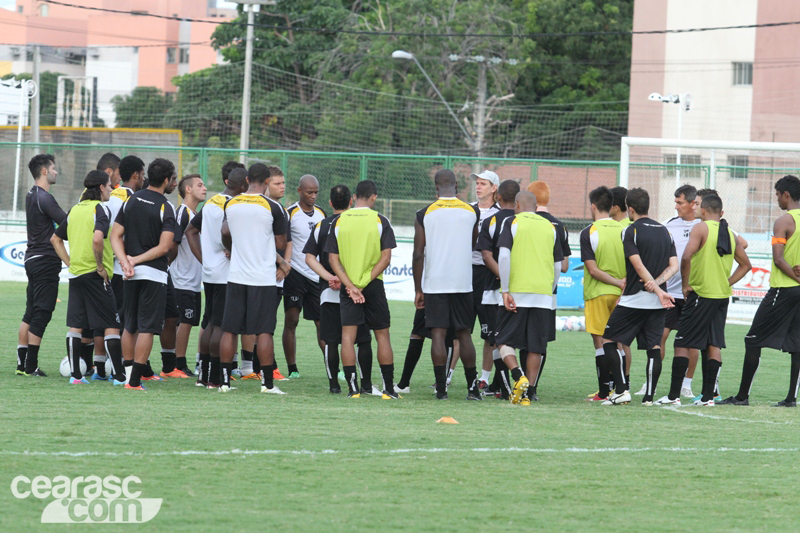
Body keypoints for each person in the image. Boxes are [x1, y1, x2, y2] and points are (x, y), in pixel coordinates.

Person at [656, 194, 751, 406]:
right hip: (721, 297)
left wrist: (685, 284)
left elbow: (687, 256)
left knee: (682, 341)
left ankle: (673, 396)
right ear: (721, 213)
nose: (695, 208)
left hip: (701, 294)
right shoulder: (729, 232)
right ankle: (709, 397)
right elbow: (746, 265)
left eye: (698, 205)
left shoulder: (701, 228)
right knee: (713, 344)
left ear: (706, 211)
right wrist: (727, 282)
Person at [719, 175, 800, 407]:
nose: (777, 200)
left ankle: (742, 397)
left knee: (752, 339)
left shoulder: (783, 221)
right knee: (797, 344)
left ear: (786, 195)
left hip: (784, 289)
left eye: (777, 195)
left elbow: (777, 259)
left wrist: (795, 277)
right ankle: (791, 399)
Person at [600, 188, 678, 406]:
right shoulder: (665, 231)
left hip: (634, 299)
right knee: (654, 347)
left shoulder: (630, 230)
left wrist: (654, 286)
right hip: (657, 303)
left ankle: (622, 390)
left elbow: (637, 264)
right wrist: (659, 285)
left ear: (630, 208)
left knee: (608, 339)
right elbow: (674, 266)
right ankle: (649, 398)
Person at [218, 163, 289, 394]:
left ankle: (224, 382)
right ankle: (267, 384)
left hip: (236, 276)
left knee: (230, 330)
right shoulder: (273, 207)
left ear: (247, 179)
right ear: (267, 181)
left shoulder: (231, 203)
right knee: (264, 331)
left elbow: (225, 233)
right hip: (263, 278)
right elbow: (280, 243)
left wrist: (234, 248)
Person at [50, 170, 126, 385]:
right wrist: (101, 266)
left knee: (76, 324)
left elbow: (55, 238)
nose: (112, 189)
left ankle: (76, 377)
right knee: (111, 323)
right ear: (101, 187)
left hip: (76, 275)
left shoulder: (74, 210)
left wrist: (69, 262)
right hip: (95, 275)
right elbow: (97, 239)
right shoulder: (100, 208)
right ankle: (120, 377)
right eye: (110, 186)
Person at [412, 169, 482, 401]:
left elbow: (418, 254)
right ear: (456, 187)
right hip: (463, 282)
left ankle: (441, 390)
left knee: (439, 334)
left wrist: (418, 289)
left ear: (436, 188)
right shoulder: (472, 211)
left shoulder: (425, 213)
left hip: (435, 283)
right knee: (464, 334)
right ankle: (473, 390)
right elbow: (473, 243)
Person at [326, 179, 398, 399]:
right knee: (382, 335)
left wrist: (351, 285)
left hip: (349, 287)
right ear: (374, 197)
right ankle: (388, 389)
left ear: (355, 197)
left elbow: (333, 259)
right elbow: (386, 259)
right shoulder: (380, 220)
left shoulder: (339, 221)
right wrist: (364, 282)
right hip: (373, 284)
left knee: (347, 337)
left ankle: (352, 390)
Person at [110, 158, 177, 391]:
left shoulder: (130, 200)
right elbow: (164, 247)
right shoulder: (166, 207)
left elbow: (115, 236)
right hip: (153, 275)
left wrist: (125, 261)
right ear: (167, 180)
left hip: (128, 274)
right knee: (147, 328)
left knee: (130, 326)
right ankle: (135, 382)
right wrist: (135, 260)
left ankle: (129, 377)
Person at [494, 191, 564, 406]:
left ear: (517, 204)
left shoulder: (512, 221)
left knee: (502, 340)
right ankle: (528, 394)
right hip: (542, 294)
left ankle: (518, 376)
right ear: (535, 206)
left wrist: (505, 290)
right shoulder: (551, 227)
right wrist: (549, 289)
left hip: (516, 292)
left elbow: (504, 256)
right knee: (536, 346)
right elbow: (557, 266)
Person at [303, 184, 374, 394]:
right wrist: (346, 281)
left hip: (328, 291)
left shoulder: (321, 226)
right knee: (362, 340)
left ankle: (334, 385)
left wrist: (329, 277)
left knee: (331, 340)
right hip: (356, 291)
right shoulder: (356, 224)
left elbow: (309, 258)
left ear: (331, 203)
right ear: (351, 201)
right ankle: (366, 384)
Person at [185, 164, 248, 388]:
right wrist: (232, 249)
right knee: (220, 326)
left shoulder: (211, 202)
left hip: (211, 272)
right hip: (225, 273)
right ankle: (213, 379)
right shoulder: (233, 204)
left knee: (211, 322)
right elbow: (226, 232)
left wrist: (204, 258)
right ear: (243, 185)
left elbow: (190, 230)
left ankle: (204, 375)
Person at [636, 185, 701, 398]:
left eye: (680, 203)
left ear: (693, 203)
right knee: (659, 338)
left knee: (691, 342)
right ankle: (649, 382)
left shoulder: (705, 225)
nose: (677, 207)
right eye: (675, 202)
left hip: (694, 294)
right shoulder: (668, 225)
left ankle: (686, 384)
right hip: (670, 293)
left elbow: (740, 242)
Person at [17, 154, 66, 377]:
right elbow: (66, 222)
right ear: (44, 171)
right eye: (54, 168)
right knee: (42, 312)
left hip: (33, 259)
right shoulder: (44, 197)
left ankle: (22, 364)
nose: (56, 171)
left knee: (31, 312)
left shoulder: (31, 195)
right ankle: (30, 366)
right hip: (45, 260)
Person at [579, 186, 626, 402]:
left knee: (601, 343)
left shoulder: (589, 232)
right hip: (622, 295)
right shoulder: (623, 230)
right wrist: (622, 284)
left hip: (598, 293)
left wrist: (615, 281)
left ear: (593, 206)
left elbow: (593, 269)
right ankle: (620, 387)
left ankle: (604, 392)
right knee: (618, 343)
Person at [476, 179, 520, 399]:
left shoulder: (490, 220)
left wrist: (502, 277)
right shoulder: (523, 220)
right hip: (520, 291)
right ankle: (503, 385)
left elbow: (486, 255)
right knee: (512, 340)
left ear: (498, 197)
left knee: (495, 340)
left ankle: (503, 386)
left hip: (495, 291)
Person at [527, 180, 570, 399]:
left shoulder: (522, 221)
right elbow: (564, 265)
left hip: (522, 288)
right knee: (539, 340)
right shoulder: (559, 225)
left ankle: (514, 384)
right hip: (548, 292)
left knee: (518, 337)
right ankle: (532, 387)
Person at [283, 175, 327, 379]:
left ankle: (332, 367)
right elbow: (282, 241)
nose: (313, 196)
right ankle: (292, 369)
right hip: (295, 275)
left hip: (316, 276)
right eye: (309, 192)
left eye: (316, 192)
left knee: (322, 324)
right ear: (300, 191)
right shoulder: (290, 213)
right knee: (291, 321)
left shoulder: (321, 214)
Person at [169, 174, 207, 377]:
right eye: (199, 185)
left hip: (194, 280)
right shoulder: (183, 213)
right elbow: (172, 244)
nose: (205, 188)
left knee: (189, 322)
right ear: (188, 190)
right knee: (185, 321)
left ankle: (179, 362)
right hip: (182, 279)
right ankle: (178, 364)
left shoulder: (196, 215)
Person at [468, 170, 499, 390]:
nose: (478, 187)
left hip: (487, 274)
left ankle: (484, 378)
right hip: (465, 272)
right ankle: (448, 376)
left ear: (494, 188)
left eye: (483, 183)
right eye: (477, 183)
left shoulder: (500, 214)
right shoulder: (467, 210)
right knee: (460, 329)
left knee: (489, 332)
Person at [265, 165, 292, 382]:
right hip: (264, 274)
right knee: (264, 324)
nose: (282, 187)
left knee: (268, 322)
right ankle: (266, 367)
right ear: (266, 184)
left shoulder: (281, 209)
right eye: (277, 183)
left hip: (277, 274)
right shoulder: (265, 207)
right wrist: (280, 262)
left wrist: (286, 264)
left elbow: (288, 241)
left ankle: (259, 366)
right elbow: (266, 241)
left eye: (283, 183)